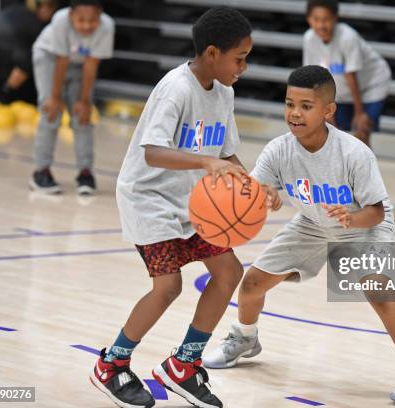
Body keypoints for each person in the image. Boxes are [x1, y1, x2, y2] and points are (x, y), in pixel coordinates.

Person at [203, 66, 395, 406]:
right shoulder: (279, 150)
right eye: (289, 104)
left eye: (306, 106)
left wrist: (352, 218)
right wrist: (263, 197)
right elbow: (255, 190)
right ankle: (245, 338)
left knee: (376, 287)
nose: (295, 113)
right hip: (312, 223)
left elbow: (377, 211)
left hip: (364, 225)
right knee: (253, 283)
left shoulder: (354, 152)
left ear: (328, 111)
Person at [89, 8, 268, 408]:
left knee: (228, 273)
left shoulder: (224, 93)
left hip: (191, 201)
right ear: (211, 53)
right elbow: (153, 152)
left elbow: (225, 153)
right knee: (168, 286)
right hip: (149, 198)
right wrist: (205, 163)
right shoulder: (176, 88)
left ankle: (182, 365)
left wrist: (254, 188)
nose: (244, 66)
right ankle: (111, 364)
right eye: (239, 58)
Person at [30, 0, 115, 195]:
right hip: (49, 58)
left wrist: (84, 101)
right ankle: (40, 171)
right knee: (51, 113)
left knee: (83, 116)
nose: (86, 25)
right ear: (70, 15)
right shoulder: (60, 20)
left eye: (92, 20)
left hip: (80, 64)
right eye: (81, 20)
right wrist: (54, 97)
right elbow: (61, 60)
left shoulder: (107, 26)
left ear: (100, 15)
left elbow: (91, 64)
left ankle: (85, 172)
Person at [303, 0, 391, 146]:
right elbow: (313, 77)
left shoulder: (347, 37)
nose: (321, 25)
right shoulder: (309, 39)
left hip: (372, 85)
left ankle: (364, 168)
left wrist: (359, 113)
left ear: (335, 18)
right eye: (316, 20)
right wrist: (323, 110)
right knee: (335, 135)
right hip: (342, 90)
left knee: (361, 132)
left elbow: (352, 77)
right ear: (308, 19)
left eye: (326, 20)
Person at [0, 0, 58, 106]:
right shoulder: (32, 22)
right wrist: (7, 91)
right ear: (44, 7)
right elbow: (27, 63)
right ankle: (0, 98)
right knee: (29, 62)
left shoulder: (17, 12)